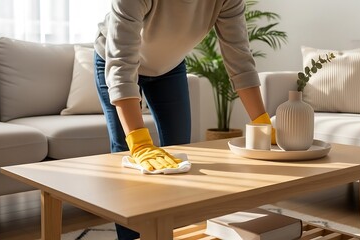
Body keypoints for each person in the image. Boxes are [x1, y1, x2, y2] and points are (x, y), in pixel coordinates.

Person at [93, 0, 274, 239]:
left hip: (169, 68)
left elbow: (239, 57)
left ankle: (172, 232)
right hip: (114, 61)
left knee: (179, 150)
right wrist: (139, 142)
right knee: (127, 154)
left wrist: (262, 122)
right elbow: (121, 65)